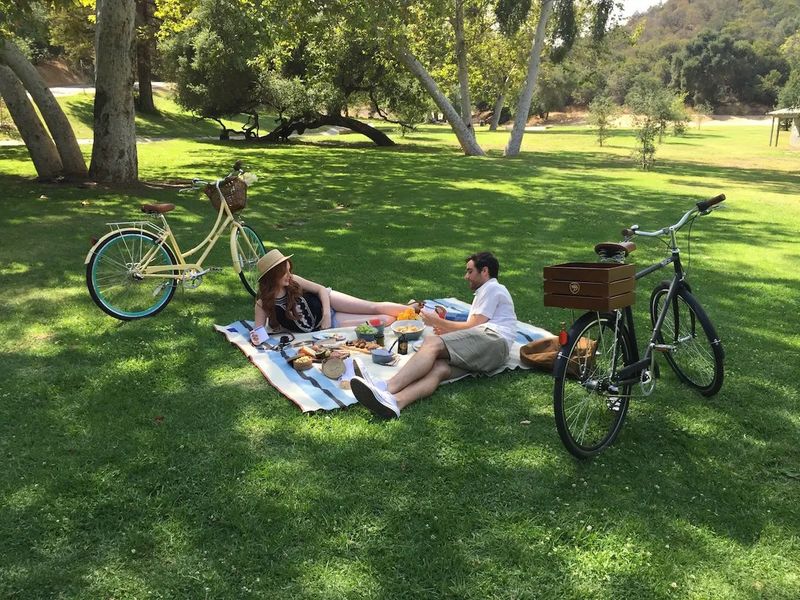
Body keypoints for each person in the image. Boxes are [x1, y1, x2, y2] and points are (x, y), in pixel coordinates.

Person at [351, 251, 517, 419]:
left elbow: (474, 326)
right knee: (440, 368)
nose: (466, 276)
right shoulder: (486, 291)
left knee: (432, 343)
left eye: (470, 271)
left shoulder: (492, 288)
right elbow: (473, 329)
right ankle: (395, 402)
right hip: (495, 354)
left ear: (485, 271)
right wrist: (449, 331)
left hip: (494, 340)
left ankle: (385, 387)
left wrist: (436, 321)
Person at [251, 249, 409, 341]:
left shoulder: (294, 281)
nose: (289, 275)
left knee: (373, 307)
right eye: (284, 273)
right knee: (383, 320)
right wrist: (257, 338)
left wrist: (326, 313)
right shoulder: (263, 304)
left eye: (289, 270)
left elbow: (320, 290)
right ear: (272, 277)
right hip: (328, 324)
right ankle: (409, 320)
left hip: (329, 302)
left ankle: (416, 311)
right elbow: (259, 332)